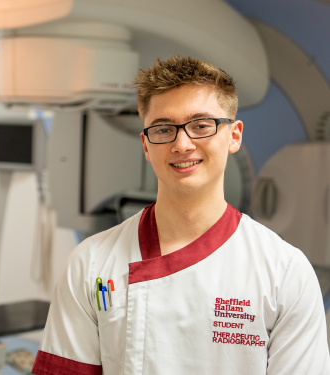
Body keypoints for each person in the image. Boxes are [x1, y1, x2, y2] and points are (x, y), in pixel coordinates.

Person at [31, 56, 330, 374]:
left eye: (202, 125)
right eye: (163, 129)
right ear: (146, 145)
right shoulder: (90, 263)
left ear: (234, 136)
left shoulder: (284, 272)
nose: (182, 144)